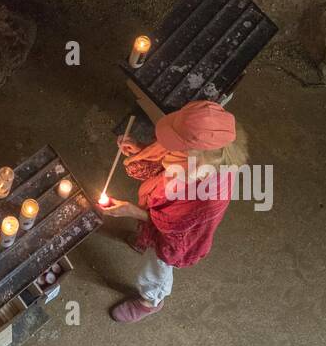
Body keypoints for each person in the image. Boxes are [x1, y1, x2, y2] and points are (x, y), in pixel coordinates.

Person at [98, 99, 246, 323]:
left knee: (157, 266)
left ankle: (150, 300)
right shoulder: (200, 155)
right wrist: (140, 150)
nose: (167, 146)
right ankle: (146, 240)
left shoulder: (207, 194)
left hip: (178, 236)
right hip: (170, 212)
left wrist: (132, 211)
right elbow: (166, 158)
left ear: (198, 152)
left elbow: (174, 226)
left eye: (178, 144)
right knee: (152, 238)